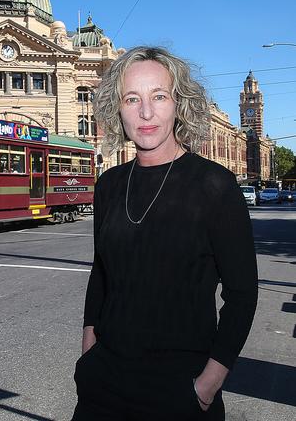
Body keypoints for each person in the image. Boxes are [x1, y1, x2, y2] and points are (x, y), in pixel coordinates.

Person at [72, 47, 258, 421]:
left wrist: (207, 384)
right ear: (116, 108)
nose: (145, 112)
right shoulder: (109, 184)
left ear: (179, 104)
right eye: (131, 99)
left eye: (159, 96)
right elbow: (102, 273)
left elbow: (242, 294)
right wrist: (89, 349)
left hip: (181, 390)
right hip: (103, 383)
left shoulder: (214, 185)